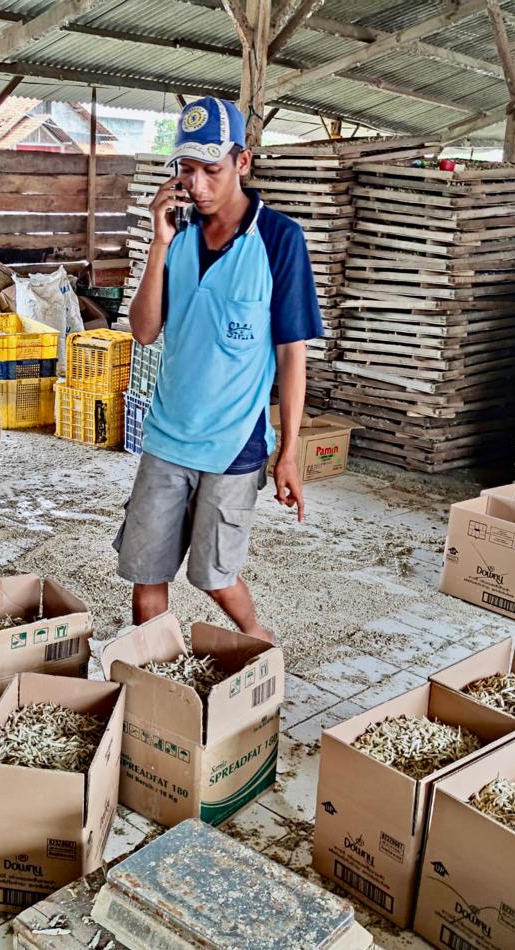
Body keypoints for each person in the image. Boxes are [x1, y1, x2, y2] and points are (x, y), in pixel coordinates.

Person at [116, 97, 322, 640]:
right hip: (165, 437)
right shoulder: (177, 233)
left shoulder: (279, 240)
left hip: (233, 443)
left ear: (242, 162)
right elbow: (143, 330)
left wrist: (290, 453)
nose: (199, 185)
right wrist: (158, 245)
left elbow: (291, 354)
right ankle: (160, 688)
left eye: (212, 169)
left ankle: (260, 646)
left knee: (214, 576)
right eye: (187, 170)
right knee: (146, 581)